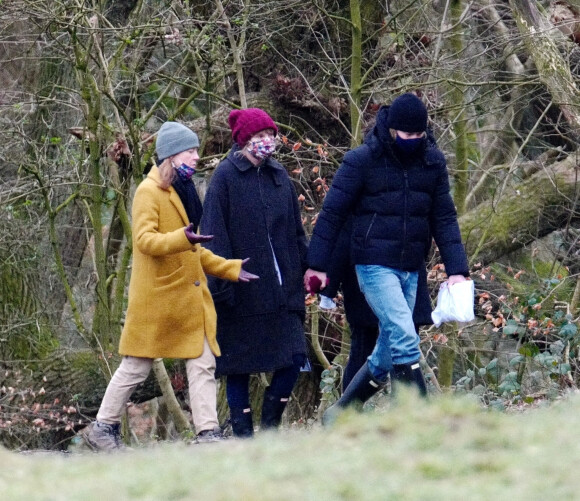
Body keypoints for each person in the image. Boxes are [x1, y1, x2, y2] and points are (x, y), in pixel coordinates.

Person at [83, 121, 258, 451]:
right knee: (136, 367)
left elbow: (193, 250)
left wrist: (230, 269)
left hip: (188, 302)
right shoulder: (149, 191)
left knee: (203, 362)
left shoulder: (182, 190)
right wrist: (182, 238)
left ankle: (207, 434)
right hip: (158, 301)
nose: (196, 157)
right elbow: (145, 240)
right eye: (190, 151)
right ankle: (102, 428)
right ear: (171, 156)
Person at [303, 93, 469, 424]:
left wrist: (457, 270)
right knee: (405, 336)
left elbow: (445, 218)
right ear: (392, 130)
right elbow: (332, 214)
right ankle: (420, 419)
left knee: (386, 349)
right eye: (407, 135)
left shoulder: (432, 164)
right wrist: (317, 266)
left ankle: (340, 414)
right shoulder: (362, 161)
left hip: (411, 266)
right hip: (373, 265)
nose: (413, 141)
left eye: (419, 135)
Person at [200, 108, 309, 438]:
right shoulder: (224, 178)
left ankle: (270, 427)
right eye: (260, 136)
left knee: (293, 359)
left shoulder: (280, 178)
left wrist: (308, 271)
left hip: (283, 291)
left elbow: (295, 234)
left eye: (270, 136)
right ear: (245, 140)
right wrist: (223, 284)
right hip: (240, 290)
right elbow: (214, 235)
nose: (268, 142)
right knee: (238, 368)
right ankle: (243, 437)